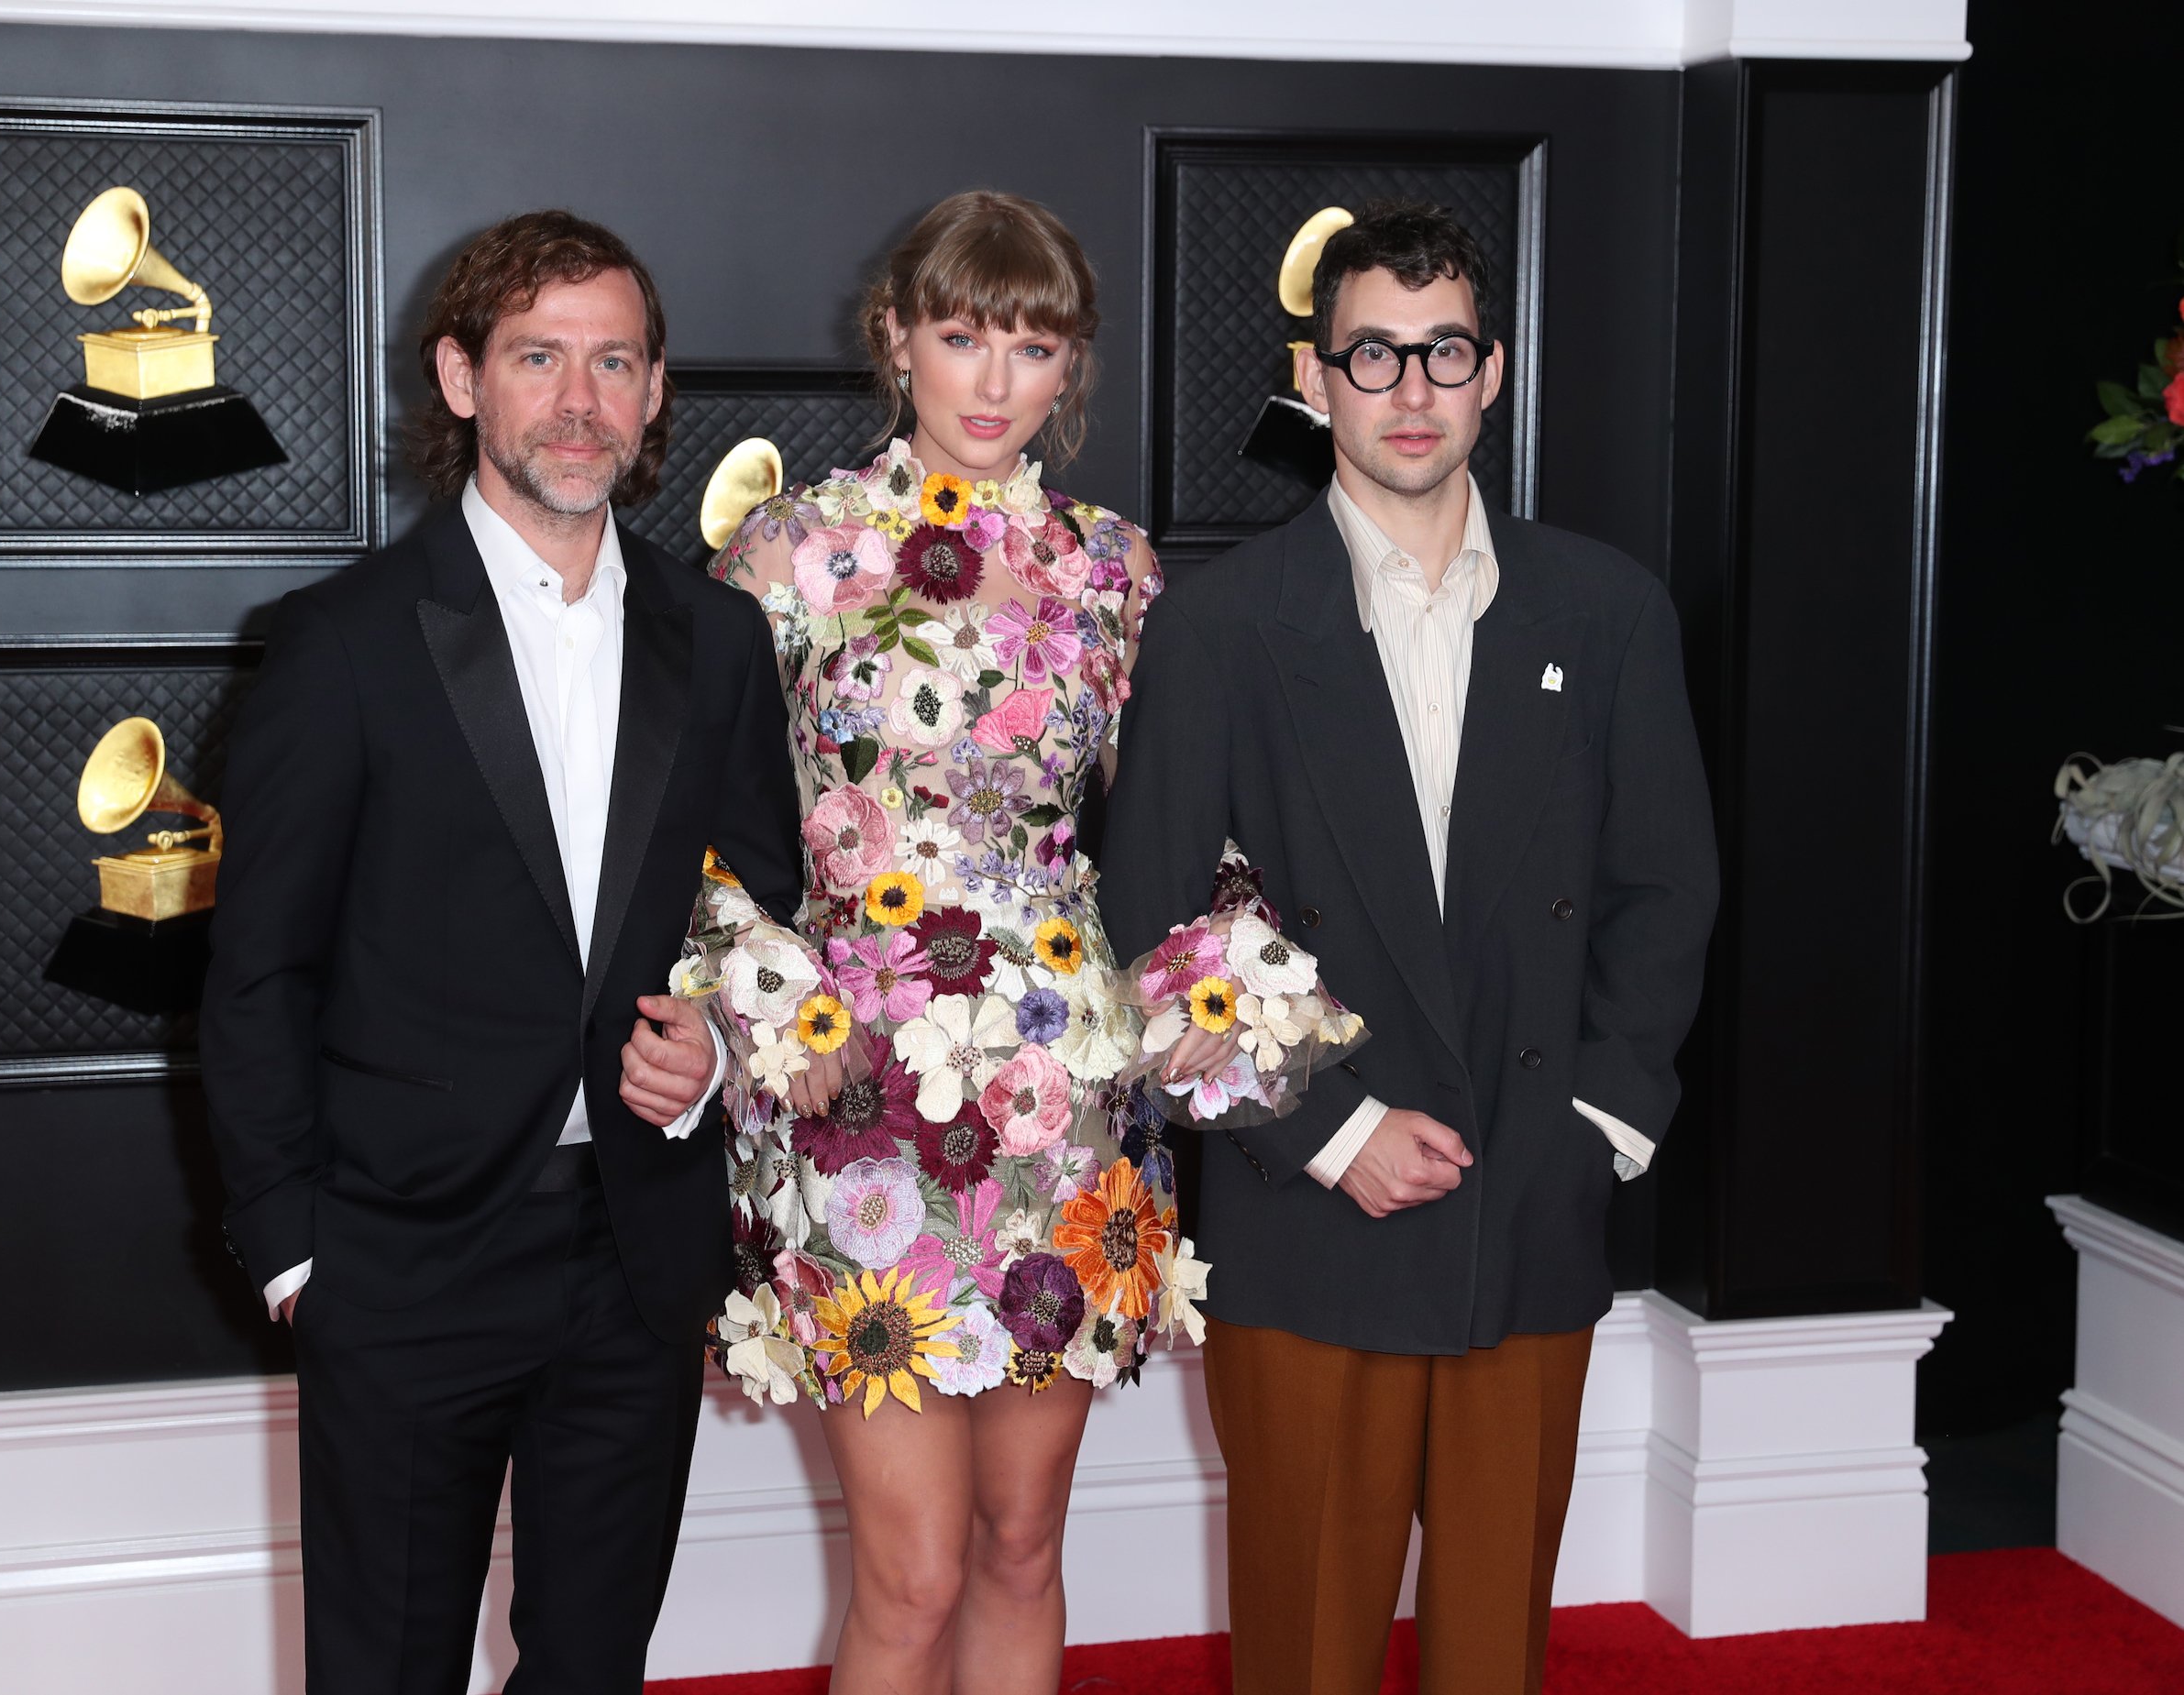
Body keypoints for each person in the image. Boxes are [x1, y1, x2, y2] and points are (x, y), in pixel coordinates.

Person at [1101, 198, 1719, 1695]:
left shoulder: (1609, 609)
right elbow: (1152, 923)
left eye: (1444, 351)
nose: (1413, 391)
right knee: (1306, 1638)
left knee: (1497, 1642)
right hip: (1311, 1208)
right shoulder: (1224, 626)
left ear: (1493, 371)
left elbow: (1666, 884)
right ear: (1314, 383)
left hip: (1531, 1186)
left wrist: (1597, 1124)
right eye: (1373, 355)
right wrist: (1331, 1129)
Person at [200, 209, 800, 1695]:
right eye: (539, 357)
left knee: (593, 1668)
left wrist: (715, 1043)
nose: (579, 400)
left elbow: (764, 898)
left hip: (636, 1251)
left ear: (657, 392)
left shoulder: (718, 641)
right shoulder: (339, 644)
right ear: (464, 378)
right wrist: (294, 1256)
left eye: (613, 361)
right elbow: (256, 971)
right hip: (398, 1258)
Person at [696, 190, 1214, 1695]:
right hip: (856, 1097)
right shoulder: (793, 554)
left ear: (1073, 365)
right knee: (910, 1570)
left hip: (1064, 1105)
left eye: (1033, 344)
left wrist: (1206, 983)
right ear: (898, 338)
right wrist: (768, 988)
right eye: (963, 335)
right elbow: (702, 834)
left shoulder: (1111, 567)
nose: (994, 381)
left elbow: (1181, 824)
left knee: (1019, 1544)